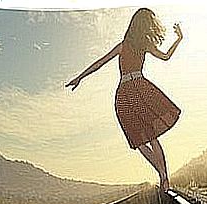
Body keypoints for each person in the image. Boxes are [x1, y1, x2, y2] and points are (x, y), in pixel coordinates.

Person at [66, 8, 183, 192]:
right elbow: (166, 56)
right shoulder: (145, 45)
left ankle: (161, 175)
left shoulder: (124, 45)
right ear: (146, 26)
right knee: (151, 136)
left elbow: (99, 63)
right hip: (141, 89)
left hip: (124, 94)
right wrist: (178, 39)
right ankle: (164, 176)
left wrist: (80, 77)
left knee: (139, 140)